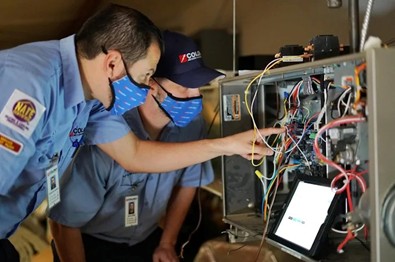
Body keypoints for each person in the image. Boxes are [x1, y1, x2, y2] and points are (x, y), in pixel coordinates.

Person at [0, 4, 283, 261]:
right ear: (112, 63)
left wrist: (226, 145)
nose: (145, 89)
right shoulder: (30, 83)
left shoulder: (92, 99)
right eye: (146, 76)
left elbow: (134, 154)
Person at [48, 30, 224, 262]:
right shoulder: (106, 133)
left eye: (199, 86)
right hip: (89, 243)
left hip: (146, 239)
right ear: (150, 84)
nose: (196, 97)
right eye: (185, 87)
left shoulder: (192, 125)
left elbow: (188, 182)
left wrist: (167, 243)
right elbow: (63, 223)